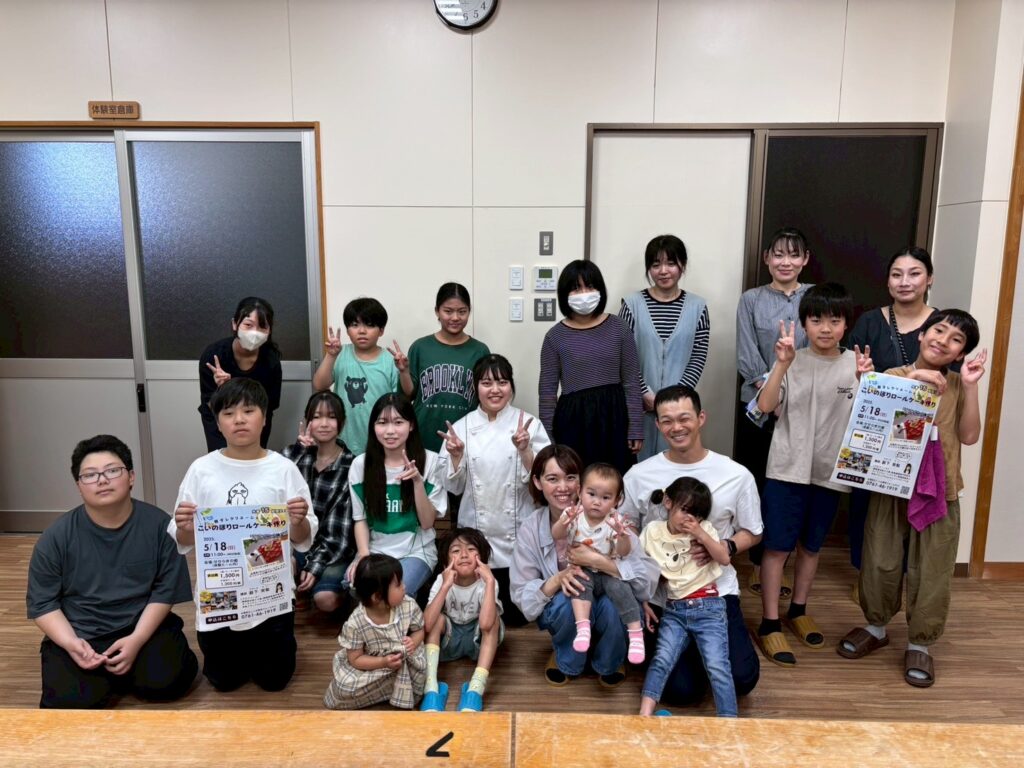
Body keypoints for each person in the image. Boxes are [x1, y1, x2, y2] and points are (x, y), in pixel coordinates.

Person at [839, 310, 986, 688]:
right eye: (939, 330)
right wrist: (913, 382)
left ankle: (920, 643)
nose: (943, 340)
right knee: (880, 560)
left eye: (956, 339)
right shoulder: (893, 376)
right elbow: (882, 430)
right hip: (891, 486)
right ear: (922, 334)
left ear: (960, 354)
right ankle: (876, 627)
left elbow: (970, 436)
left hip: (941, 490)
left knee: (933, 569)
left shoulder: (958, 384)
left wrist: (971, 387)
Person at [27, 435, 198, 708]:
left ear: (131, 477)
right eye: (90, 475)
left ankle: (116, 675)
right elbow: (43, 603)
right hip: (81, 631)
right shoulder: (55, 537)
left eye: (112, 470)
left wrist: (137, 639)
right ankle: (108, 677)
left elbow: (165, 591)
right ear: (79, 486)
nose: (102, 480)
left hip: (141, 625)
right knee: (69, 704)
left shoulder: (159, 525)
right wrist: (71, 643)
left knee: (170, 682)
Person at [171, 378, 316, 692]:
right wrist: (184, 527)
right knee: (224, 682)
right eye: (228, 413)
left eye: (248, 411)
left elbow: (303, 538)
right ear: (217, 423)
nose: (239, 419)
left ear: (264, 418)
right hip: (219, 594)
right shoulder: (201, 470)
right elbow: (182, 542)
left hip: (269, 594)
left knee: (274, 680)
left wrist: (297, 520)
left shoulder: (283, 469)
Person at [620, 385, 762, 706]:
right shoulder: (639, 475)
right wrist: (643, 578)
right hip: (664, 598)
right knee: (681, 692)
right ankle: (697, 654)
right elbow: (626, 528)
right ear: (658, 425)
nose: (677, 427)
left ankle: (707, 647)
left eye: (684, 418)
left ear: (701, 418)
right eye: (667, 421)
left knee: (743, 679)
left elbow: (753, 532)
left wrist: (725, 545)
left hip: (715, 594)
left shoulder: (735, 474)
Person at [754, 283, 872, 667]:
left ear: (846, 324)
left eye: (834, 320)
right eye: (816, 319)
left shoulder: (856, 365)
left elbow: (871, 422)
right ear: (804, 323)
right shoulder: (792, 359)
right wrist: (781, 365)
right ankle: (770, 622)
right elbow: (765, 406)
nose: (825, 328)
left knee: (812, 546)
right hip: (786, 469)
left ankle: (798, 610)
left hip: (829, 472)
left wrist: (866, 383)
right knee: (777, 547)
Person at [510, 445, 659, 687]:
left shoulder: (613, 520)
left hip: (608, 597)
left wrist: (600, 562)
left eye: (570, 477)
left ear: (580, 484)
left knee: (614, 603)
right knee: (567, 598)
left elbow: (645, 581)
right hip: (570, 607)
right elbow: (523, 599)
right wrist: (558, 579)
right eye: (552, 479)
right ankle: (568, 658)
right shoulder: (531, 528)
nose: (563, 487)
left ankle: (609, 661)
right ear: (537, 482)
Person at [846, 247, 943, 584]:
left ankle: (903, 579)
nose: (905, 282)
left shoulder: (942, 324)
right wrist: (861, 376)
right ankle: (866, 577)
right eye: (897, 274)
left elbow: (953, 378)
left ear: (929, 279)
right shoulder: (869, 321)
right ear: (888, 282)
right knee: (866, 505)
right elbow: (850, 372)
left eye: (914, 273)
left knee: (913, 504)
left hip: (925, 431)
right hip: (875, 428)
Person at [436, 354, 550, 626]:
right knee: (475, 614)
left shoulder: (529, 424)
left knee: (516, 617)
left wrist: (525, 450)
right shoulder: (461, 427)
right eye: (487, 383)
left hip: (517, 534)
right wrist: (456, 456)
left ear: (511, 385)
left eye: (502, 382)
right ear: (476, 387)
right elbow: (453, 487)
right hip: (477, 531)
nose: (495, 389)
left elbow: (546, 480)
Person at [735, 227, 813, 595]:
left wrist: (790, 396)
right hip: (759, 406)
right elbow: (747, 355)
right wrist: (772, 395)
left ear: (805, 260)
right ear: (766, 258)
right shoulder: (751, 299)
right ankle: (757, 562)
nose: (785, 262)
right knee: (759, 482)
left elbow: (821, 349)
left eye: (794, 254)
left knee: (793, 486)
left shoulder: (814, 298)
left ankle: (782, 559)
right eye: (778, 254)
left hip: (803, 406)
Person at [639, 478, 736, 718]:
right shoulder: (652, 531)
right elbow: (640, 568)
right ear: (668, 502)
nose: (690, 519)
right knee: (661, 659)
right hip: (673, 609)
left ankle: (729, 721)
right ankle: (644, 715)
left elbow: (724, 558)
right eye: (685, 510)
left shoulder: (705, 530)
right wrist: (644, 601)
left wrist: (701, 533)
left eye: (697, 515)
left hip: (709, 606)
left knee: (717, 665)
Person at [539, 260, 644, 475]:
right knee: (576, 481)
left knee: (616, 481)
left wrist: (635, 426)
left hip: (614, 417)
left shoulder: (619, 327)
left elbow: (632, 381)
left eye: (589, 286)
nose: (584, 294)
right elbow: (547, 393)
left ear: (600, 289)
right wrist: (548, 438)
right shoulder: (554, 337)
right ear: (564, 294)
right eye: (576, 288)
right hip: (573, 421)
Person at [347, 393, 446, 598]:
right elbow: (360, 519)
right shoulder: (360, 465)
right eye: (382, 422)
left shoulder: (431, 461)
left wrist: (417, 482)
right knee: (362, 589)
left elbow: (427, 523)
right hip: (375, 552)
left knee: (393, 594)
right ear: (373, 427)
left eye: (398, 422)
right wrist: (363, 557)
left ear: (411, 425)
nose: (390, 431)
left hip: (416, 553)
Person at [620, 234, 710, 460]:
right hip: (639, 406)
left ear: (682, 266)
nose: (663, 271)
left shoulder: (698, 307)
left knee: (677, 464)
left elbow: (698, 356)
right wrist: (645, 393)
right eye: (655, 264)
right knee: (638, 468)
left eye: (671, 263)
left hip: (680, 409)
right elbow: (625, 356)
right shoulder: (631, 305)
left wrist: (675, 398)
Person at [550, 463, 645, 665]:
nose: (596, 502)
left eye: (605, 497)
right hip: (583, 570)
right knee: (579, 584)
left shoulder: (614, 520)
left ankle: (636, 633)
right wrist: (563, 523)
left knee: (621, 589)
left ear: (617, 500)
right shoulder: (574, 514)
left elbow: (624, 552)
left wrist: (623, 536)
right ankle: (582, 627)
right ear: (579, 491)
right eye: (591, 494)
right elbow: (557, 535)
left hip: (608, 572)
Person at [282, 390, 356, 613]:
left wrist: (314, 564)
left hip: (333, 549)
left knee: (325, 600)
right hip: (297, 541)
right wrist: (300, 452)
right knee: (282, 566)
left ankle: (334, 590)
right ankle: (299, 584)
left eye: (331, 417)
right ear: (307, 422)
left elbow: (338, 533)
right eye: (316, 417)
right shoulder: (292, 454)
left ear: (342, 423)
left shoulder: (351, 465)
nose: (324, 424)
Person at [323, 554, 426, 710]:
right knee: (344, 687)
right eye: (398, 585)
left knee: (420, 675)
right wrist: (383, 662)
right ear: (377, 596)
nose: (404, 587)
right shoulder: (355, 623)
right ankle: (387, 692)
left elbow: (419, 630)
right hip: (375, 666)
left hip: (404, 662)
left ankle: (393, 691)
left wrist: (413, 642)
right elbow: (355, 659)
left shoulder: (408, 605)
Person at [312, 297, 409, 456]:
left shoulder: (390, 361)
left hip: (380, 440)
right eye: (355, 325)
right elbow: (319, 385)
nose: (362, 331)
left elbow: (401, 401)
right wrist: (331, 355)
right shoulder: (340, 354)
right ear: (347, 330)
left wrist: (404, 372)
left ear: (381, 330)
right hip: (343, 440)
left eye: (369, 325)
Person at [420, 528, 503, 712]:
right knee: (436, 618)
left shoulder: (488, 581)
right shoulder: (441, 580)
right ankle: (431, 688)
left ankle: (475, 688)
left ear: (482, 557)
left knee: (494, 619)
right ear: (446, 561)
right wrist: (445, 586)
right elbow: (426, 624)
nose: (464, 555)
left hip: (477, 642)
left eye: (471, 549)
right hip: (449, 641)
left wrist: (490, 582)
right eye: (456, 550)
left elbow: (486, 624)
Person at [402, 283, 490, 454]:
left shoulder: (480, 350)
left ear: (469, 311)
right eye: (448, 311)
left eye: (462, 311)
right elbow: (408, 395)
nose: (455, 317)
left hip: (467, 437)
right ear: (437, 311)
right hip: (424, 435)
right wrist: (403, 371)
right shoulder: (420, 347)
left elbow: (485, 398)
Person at [199, 296, 282, 452]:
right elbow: (209, 402)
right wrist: (222, 390)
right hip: (219, 418)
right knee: (223, 459)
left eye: (262, 326)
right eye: (248, 325)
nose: (254, 333)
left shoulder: (271, 361)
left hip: (255, 420)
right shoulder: (214, 355)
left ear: (269, 330)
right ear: (235, 324)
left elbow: (270, 404)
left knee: (252, 458)